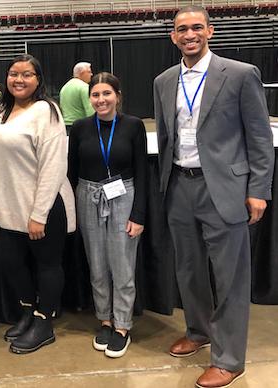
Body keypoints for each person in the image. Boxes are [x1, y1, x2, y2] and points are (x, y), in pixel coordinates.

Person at [154, 6, 274, 388]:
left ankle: (229, 358)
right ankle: (198, 330)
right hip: (179, 186)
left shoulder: (239, 74)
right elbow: (167, 136)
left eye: (196, 27)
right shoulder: (163, 80)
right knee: (189, 270)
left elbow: (259, 137)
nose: (189, 34)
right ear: (173, 37)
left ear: (210, 31)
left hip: (224, 188)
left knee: (230, 277)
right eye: (181, 29)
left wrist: (258, 190)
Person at [0, 54, 76, 354]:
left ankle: (44, 322)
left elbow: (54, 167)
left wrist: (39, 214)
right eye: (13, 74)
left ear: (38, 80)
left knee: (47, 265)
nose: (18, 79)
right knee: (10, 261)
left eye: (27, 74)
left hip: (42, 207)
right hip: (7, 207)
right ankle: (27, 312)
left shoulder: (46, 111)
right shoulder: (1, 110)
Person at [68, 72, 147, 358]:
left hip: (123, 196)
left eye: (106, 94)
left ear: (118, 95)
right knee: (97, 265)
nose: (101, 100)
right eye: (95, 95)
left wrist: (138, 215)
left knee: (122, 265)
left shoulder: (133, 126)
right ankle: (105, 320)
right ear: (89, 98)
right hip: (87, 196)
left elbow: (141, 171)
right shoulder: (79, 128)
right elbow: (71, 171)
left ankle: (122, 325)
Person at [59, 62, 95, 133]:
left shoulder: (64, 87)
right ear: (82, 73)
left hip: (65, 127)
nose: (91, 74)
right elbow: (90, 109)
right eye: (89, 72)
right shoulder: (84, 87)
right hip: (81, 127)